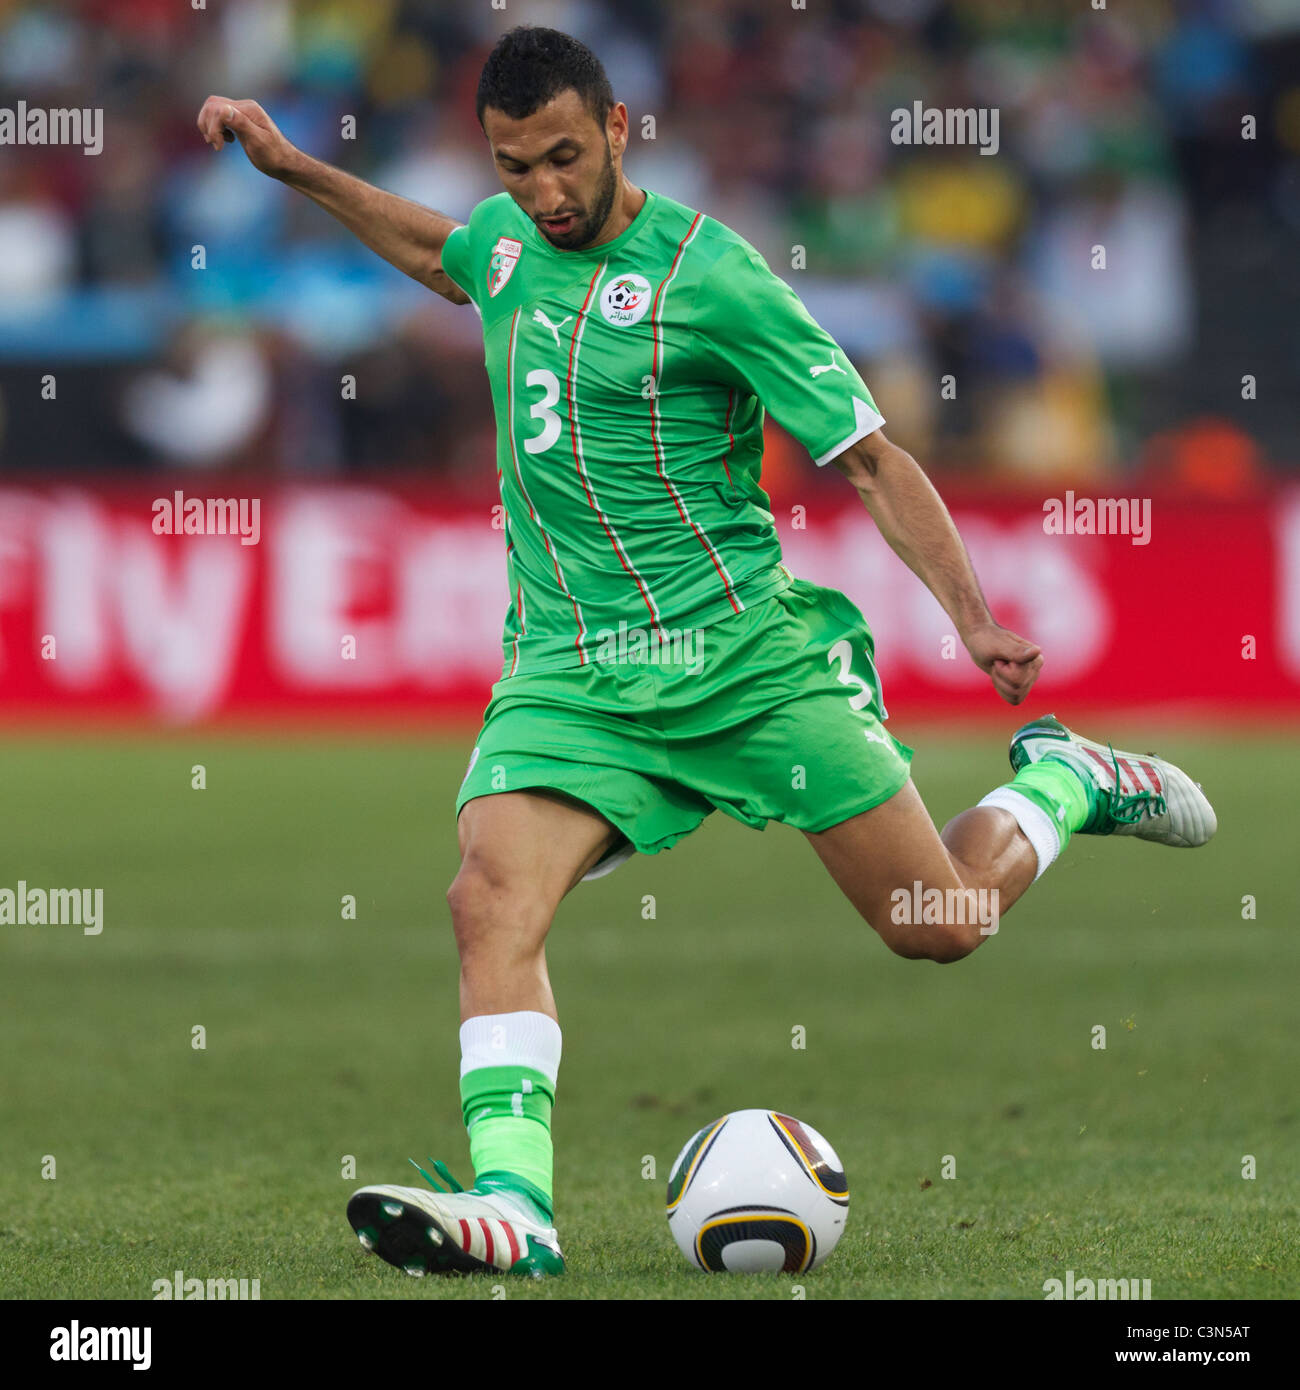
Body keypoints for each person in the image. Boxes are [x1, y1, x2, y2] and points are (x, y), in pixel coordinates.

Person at [196, 25, 1216, 1279]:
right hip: (567, 668)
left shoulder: (714, 276)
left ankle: (1062, 782)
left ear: (620, 129)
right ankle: (517, 1204)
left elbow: (871, 458)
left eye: (566, 158)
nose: (546, 194)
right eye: (517, 166)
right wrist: (295, 166)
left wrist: (971, 615)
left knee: (936, 922)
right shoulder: (508, 238)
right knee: (487, 897)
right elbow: (442, 252)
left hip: (741, 658)